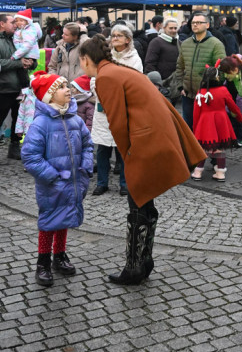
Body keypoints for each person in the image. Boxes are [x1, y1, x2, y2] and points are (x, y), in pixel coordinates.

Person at [79, 36, 206, 285]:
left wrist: (127, 155)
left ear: (85, 59)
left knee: (137, 203)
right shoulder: (117, 70)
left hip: (145, 141)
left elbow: (117, 122)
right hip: (154, 135)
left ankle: (134, 267)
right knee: (144, 203)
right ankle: (143, 261)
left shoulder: (106, 76)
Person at [21, 72, 94, 287]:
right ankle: (43, 262)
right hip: (52, 185)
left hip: (73, 182)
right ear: (50, 95)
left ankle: (60, 255)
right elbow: (30, 156)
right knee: (49, 221)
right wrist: (52, 176)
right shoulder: (41, 124)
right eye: (61, 87)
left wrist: (85, 167)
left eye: (67, 86)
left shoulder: (76, 120)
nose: (68, 90)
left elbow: (88, 145)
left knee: (66, 217)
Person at [90, 25, 143, 196]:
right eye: (113, 35)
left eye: (119, 36)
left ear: (128, 39)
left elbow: (135, 83)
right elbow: (94, 78)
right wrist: (102, 92)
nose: (115, 38)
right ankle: (102, 183)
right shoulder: (105, 57)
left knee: (123, 149)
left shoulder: (134, 59)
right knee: (103, 149)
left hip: (123, 109)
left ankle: (125, 183)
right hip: (104, 108)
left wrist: (117, 94)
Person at [0, 15, 34, 163]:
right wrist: (19, 63)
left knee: (19, 120)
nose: (16, 24)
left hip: (21, 88)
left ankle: (14, 147)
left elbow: (28, 54)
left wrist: (31, 62)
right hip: (3, 88)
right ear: (2, 24)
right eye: (12, 22)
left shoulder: (18, 38)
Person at [190, 65, 242, 182]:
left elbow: (195, 112)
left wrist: (195, 127)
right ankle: (220, 173)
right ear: (217, 78)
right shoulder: (223, 90)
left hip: (205, 123)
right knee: (220, 148)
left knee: (203, 148)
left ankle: (198, 172)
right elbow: (232, 106)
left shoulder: (200, 92)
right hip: (221, 121)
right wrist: (240, 117)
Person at [175, 12, 226, 128]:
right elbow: (180, 66)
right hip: (187, 94)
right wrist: (180, 86)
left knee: (205, 128)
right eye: (193, 22)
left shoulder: (216, 44)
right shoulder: (186, 43)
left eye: (198, 22)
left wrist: (212, 87)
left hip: (206, 94)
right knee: (188, 127)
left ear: (207, 25)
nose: (195, 25)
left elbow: (221, 69)